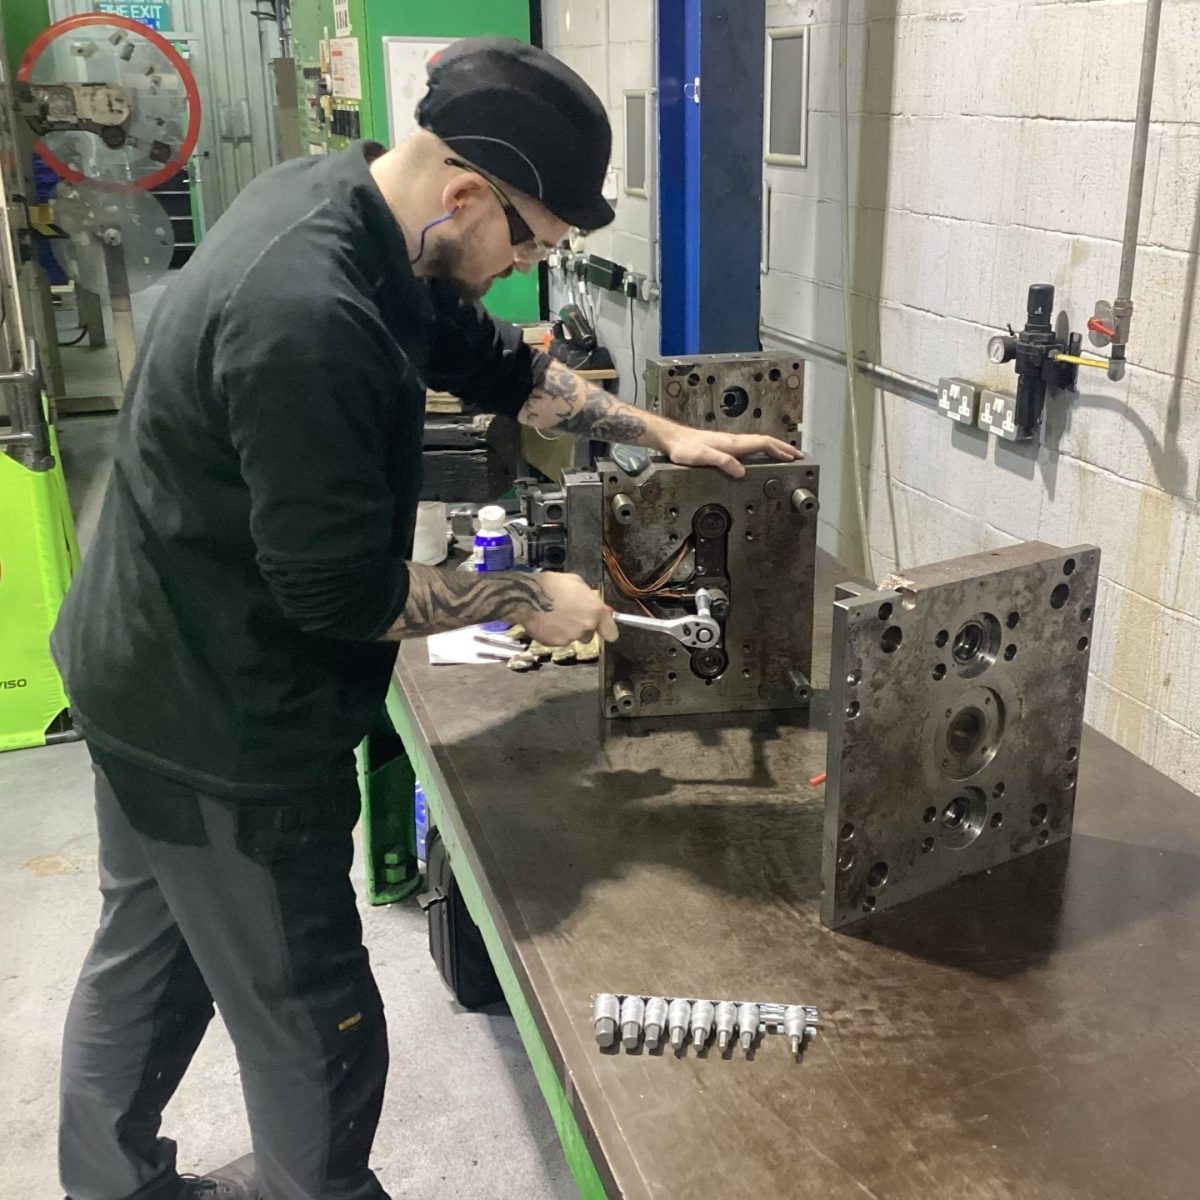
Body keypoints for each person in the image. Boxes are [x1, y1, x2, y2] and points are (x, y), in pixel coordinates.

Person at [50, 37, 801, 1200]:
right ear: (468, 195)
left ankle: (109, 1186)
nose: (523, 272)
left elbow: (498, 362)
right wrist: (524, 597)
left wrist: (661, 435)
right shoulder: (311, 311)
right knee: (314, 1018)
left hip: (136, 662)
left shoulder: (353, 207)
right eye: (532, 244)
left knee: (150, 959)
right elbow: (338, 595)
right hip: (223, 716)